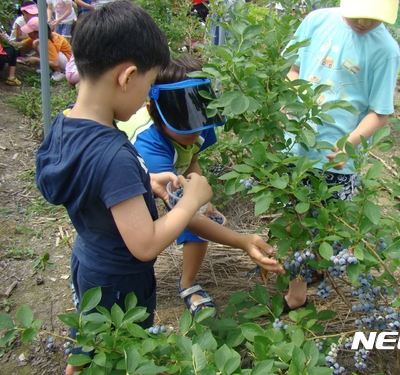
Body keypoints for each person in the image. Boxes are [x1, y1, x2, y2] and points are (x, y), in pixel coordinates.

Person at [34, 2, 282, 374]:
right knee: (121, 353)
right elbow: (146, 244)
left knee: (93, 337)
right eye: (149, 86)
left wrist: (144, 182)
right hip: (120, 282)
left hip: (88, 262)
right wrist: (192, 200)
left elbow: (91, 182)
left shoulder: (66, 123)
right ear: (127, 76)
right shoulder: (113, 153)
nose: (146, 98)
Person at [120, 54, 285, 316]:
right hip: (132, 179)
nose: (195, 133)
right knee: (161, 224)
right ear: (154, 112)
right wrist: (241, 241)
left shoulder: (198, 124)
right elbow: (185, 215)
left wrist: (203, 201)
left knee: (199, 211)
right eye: (185, 127)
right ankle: (163, 286)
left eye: (199, 124)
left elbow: (191, 159)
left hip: (167, 174)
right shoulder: (149, 147)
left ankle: (187, 282)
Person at [282, 0, 400, 312]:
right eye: (358, 12)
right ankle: (297, 296)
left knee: (322, 223)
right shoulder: (317, 21)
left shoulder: (385, 50)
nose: (363, 21)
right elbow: (294, 70)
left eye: (373, 17)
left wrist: (349, 144)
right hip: (297, 146)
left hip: (337, 158)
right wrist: (292, 99)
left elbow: (380, 112)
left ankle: (311, 272)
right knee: (296, 222)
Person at [20, 16, 72, 81]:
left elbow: (55, 63)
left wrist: (36, 59)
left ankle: (59, 71)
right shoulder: (43, 36)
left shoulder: (48, 41)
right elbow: (23, 44)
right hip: (61, 57)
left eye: (30, 31)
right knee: (36, 43)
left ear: (36, 32)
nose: (28, 33)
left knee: (42, 47)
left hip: (67, 61)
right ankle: (49, 68)